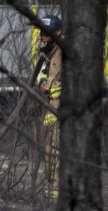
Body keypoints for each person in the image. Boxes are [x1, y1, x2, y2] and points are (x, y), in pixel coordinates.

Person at [36, 14, 62, 199]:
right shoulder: (48, 51)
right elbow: (43, 75)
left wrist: (50, 86)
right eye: (41, 32)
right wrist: (42, 82)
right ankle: (51, 192)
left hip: (60, 108)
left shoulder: (63, 52)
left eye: (47, 33)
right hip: (50, 107)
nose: (42, 36)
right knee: (48, 149)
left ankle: (56, 194)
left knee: (55, 150)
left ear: (58, 33)